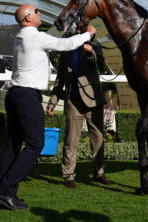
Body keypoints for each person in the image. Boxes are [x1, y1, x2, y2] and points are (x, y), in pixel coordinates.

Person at [0, 4, 96, 211]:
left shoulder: (23, 36)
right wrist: (88, 34)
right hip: (27, 96)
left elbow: (57, 41)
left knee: (13, 144)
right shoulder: (34, 36)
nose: (40, 13)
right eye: (37, 11)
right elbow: (64, 45)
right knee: (35, 144)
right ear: (29, 17)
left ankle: (2, 193)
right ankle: (6, 189)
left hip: (16, 95)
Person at [46, 39, 112, 189]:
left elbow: (100, 62)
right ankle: (68, 176)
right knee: (71, 140)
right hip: (73, 101)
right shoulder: (66, 50)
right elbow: (60, 79)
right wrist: (52, 102)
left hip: (93, 100)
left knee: (98, 139)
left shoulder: (94, 45)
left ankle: (99, 173)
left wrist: (91, 52)